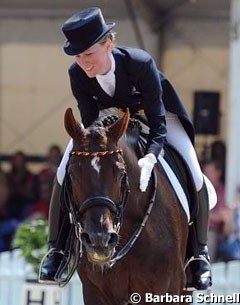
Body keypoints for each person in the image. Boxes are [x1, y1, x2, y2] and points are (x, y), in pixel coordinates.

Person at [39, 7, 213, 290]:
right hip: (110, 120)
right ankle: (57, 250)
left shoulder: (140, 63)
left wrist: (150, 158)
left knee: (194, 171)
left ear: (109, 43)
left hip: (159, 117)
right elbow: (90, 118)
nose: (84, 62)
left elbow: (157, 122)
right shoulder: (77, 73)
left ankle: (199, 255)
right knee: (64, 168)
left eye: (89, 54)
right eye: (78, 56)